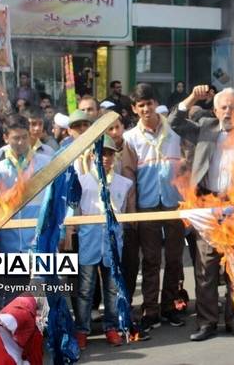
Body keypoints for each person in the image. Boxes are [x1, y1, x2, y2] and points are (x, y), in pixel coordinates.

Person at [169, 85, 234, 341]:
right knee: (205, 269)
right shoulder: (205, 129)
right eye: (223, 107)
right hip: (208, 207)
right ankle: (206, 323)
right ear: (215, 110)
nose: (228, 111)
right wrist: (192, 97)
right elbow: (174, 122)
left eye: (232, 107)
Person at [123, 84, 186, 332]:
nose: (146, 108)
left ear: (155, 103)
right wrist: (132, 212)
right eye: (141, 105)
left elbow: (188, 164)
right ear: (134, 109)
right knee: (150, 260)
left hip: (174, 203)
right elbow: (129, 177)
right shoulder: (130, 138)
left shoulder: (174, 129)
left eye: (149, 103)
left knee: (174, 259)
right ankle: (150, 310)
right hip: (147, 206)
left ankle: (169, 306)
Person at [74, 135, 134, 349]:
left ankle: (111, 327)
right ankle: (81, 330)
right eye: (101, 153)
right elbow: (76, 214)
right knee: (85, 289)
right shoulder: (81, 182)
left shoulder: (124, 183)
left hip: (112, 243)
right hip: (88, 241)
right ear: (92, 156)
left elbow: (125, 213)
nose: (106, 158)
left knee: (112, 288)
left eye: (109, 153)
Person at [0, 115, 51, 309]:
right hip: (8, 245)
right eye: (15, 138)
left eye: (24, 137)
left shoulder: (45, 163)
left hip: (38, 242)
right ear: (5, 138)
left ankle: (43, 338)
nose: (20, 142)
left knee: (40, 300)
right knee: (10, 299)